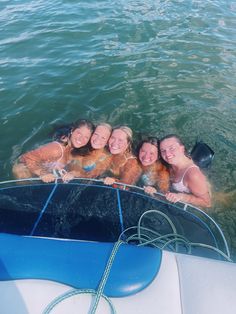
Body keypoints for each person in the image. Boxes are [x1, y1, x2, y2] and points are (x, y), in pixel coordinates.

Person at [12, 119, 94, 183]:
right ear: (72, 130)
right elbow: (27, 158)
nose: (81, 139)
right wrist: (42, 173)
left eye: (86, 137)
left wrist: (73, 173)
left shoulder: (76, 148)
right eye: (79, 133)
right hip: (23, 167)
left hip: (44, 165)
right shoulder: (56, 149)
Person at [159, 134, 211, 208]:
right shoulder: (171, 163)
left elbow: (207, 203)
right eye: (163, 151)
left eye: (172, 148)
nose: (167, 154)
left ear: (182, 148)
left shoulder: (192, 174)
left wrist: (182, 197)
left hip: (211, 195)